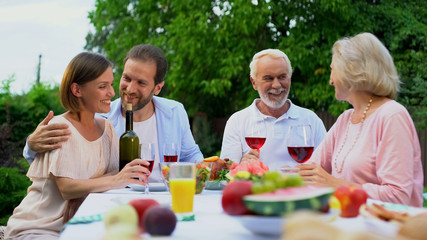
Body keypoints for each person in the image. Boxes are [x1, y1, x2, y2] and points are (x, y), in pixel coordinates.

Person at [5, 52, 149, 239]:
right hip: (40, 226)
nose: (112, 93)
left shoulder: (107, 128)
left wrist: (108, 181)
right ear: (77, 90)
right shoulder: (60, 127)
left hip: (80, 222)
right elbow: (67, 188)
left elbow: (115, 172)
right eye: (102, 86)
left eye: (111, 84)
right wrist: (112, 180)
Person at [23, 44, 204, 183]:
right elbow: (54, 158)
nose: (130, 89)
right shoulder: (99, 117)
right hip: (116, 201)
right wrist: (32, 144)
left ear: (157, 88)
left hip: (168, 197)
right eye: (126, 78)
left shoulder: (175, 111)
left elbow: (190, 156)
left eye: (141, 83)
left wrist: (205, 168)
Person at [298, 32, 423, 207]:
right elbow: (309, 171)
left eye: (332, 70)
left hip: (387, 228)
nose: (330, 81)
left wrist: (334, 184)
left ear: (351, 70)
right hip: (349, 223)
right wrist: (261, 178)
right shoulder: (345, 119)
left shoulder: (392, 115)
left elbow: (397, 195)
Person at [220, 49, 327, 170]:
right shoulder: (237, 121)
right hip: (257, 189)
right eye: (268, 78)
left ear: (290, 78)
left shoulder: (311, 119)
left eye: (282, 77)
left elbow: (327, 168)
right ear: (254, 83)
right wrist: (239, 166)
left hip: (300, 188)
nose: (276, 85)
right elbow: (225, 173)